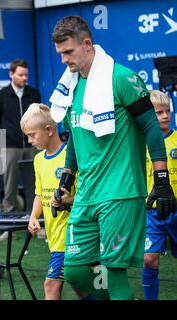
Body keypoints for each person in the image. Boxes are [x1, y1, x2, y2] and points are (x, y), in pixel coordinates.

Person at [50, 16, 175, 300]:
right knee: (76, 271)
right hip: (86, 195)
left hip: (121, 191)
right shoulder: (69, 86)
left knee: (112, 270)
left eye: (68, 52)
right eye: (60, 54)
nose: (63, 60)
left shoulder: (122, 78)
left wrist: (162, 180)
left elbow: (152, 129)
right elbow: (75, 140)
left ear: (87, 44)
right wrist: (66, 181)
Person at [21, 103, 75, 300]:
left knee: (51, 285)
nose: (29, 140)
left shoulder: (71, 156)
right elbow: (38, 194)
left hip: (71, 233)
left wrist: (68, 200)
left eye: (32, 135)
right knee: (82, 287)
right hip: (54, 236)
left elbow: (87, 197)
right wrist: (34, 216)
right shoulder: (38, 159)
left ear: (50, 130)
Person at [0, 59, 41, 241]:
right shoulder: (1, 95)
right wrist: (3, 146)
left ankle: (38, 223)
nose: (24, 78)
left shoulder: (34, 93)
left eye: (26, 75)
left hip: (33, 145)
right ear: (11, 74)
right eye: (21, 74)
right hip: (10, 146)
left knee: (36, 185)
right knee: (9, 187)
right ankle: (8, 228)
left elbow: (39, 118)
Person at [142, 90, 177, 300]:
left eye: (167, 112)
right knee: (149, 259)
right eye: (159, 112)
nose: (164, 116)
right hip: (151, 213)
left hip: (175, 209)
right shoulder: (140, 143)